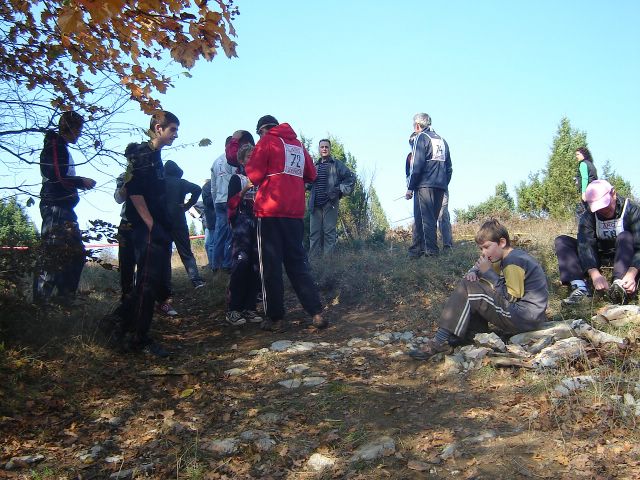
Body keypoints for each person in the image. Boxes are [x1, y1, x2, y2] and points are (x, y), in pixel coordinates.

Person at [409, 219, 548, 360]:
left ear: (502, 242)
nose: (484, 253)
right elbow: (478, 267)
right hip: (524, 316)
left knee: (469, 288)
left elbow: (511, 297)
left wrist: (489, 274)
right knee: (471, 284)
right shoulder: (501, 257)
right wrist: (474, 272)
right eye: (481, 249)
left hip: (525, 317)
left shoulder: (514, 261)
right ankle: (471, 335)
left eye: (486, 247)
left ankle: (439, 342)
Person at [246, 115, 325, 331]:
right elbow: (312, 174)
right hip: (295, 212)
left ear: (262, 130)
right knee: (298, 264)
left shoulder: (267, 142)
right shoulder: (298, 144)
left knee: (270, 267)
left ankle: (276, 319)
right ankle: (316, 313)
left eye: (258, 133)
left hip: (269, 211)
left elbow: (253, 174)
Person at [111, 110, 180, 357]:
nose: (176, 135)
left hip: (157, 227)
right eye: (173, 129)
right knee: (147, 283)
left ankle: (118, 324)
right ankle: (138, 339)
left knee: (149, 283)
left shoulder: (156, 156)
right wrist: (150, 223)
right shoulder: (143, 153)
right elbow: (134, 190)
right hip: (145, 229)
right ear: (158, 128)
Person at [34, 111, 96, 304]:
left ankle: (64, 298)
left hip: (65, 208)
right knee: (52, 253)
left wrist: (78, 183)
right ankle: (40, 303)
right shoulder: (54, 146)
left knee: (77, 254)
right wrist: (80, 181)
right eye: (79, 130)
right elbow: (56, 176)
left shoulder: (61, 147)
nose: (80, 134)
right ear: (70, 128)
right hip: (55, 206)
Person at [555, 179, 640, 306]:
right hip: (599, 256)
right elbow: (585, 245)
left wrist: (632, 273)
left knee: (625, 236)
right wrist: (595, 274)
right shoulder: (588, 216)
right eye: (598, 207)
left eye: (605, 205)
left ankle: (620, 286)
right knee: (562, 241)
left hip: (626, 257)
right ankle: (580, 288)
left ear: (613, 194)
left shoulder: (632, 210)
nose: (603, 210)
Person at [405, 113, 452, 257]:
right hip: (440, 186)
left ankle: (431, 252)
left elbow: (417, 166)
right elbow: (449, 168)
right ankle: (416, 250)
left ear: (417, 126)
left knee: (425, 220)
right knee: (428, 218)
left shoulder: (421, 137)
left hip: (424, 185)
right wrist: (444, 183)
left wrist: (410, 188)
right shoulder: (443, 141)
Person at [225, 144, 262, 327]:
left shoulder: (261, 178)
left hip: (258, 224)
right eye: (248, 156)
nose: (252, 159)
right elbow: (230, 204)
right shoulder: (236, 178)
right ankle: (233, 309)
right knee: (241, 263)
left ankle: (250, 306)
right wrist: (245, 189)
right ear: (241, 160)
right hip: (242, 225)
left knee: (255, 266)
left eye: (254, 156)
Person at [307, 138, 355, 257]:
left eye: (326, 147)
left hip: (330, 203)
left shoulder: (337, 164)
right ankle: (313, 262)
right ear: (319, 149)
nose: (324, 149)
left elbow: (350, 177)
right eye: (322, 147)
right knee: (314, 233)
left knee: (329, 233)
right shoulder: (314, 166)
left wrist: (339, 189)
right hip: (315, 205)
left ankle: (328, 262)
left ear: (330, 149)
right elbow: (308, 183)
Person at [164, 160, 205, 289]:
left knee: (164, 254)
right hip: (178, 219)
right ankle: (196, 280)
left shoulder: (159, 182)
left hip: (162, 221)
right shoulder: (180, 182)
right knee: (186, 252)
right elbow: (197, 189)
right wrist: (187, 205)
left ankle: (165, 284)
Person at [211, 136, 235, 272]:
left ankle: (216, 265)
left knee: (219, 234)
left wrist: (215, 201)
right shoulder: (232, 160)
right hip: (229, 199)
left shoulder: (215, 161)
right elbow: (235, 181)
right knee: (230, 232)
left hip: (219, 200)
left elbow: (213, 186)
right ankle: (227, 264)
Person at [574, 147, 598, 217]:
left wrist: (584, 193)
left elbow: (585, 178)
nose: (576, 157)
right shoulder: (591, 164)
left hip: (588, 191)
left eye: (578, 154)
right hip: (594, 191)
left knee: (587, 213)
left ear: (583, 154)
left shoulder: (583, 164)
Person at [201, 178, 216, 270]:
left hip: (214, 219)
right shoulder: (207, 187)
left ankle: (217, 265)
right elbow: (206, 201)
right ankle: (213, 266)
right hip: (212, 219)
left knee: (211, 244)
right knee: (211, 244)